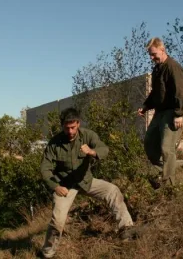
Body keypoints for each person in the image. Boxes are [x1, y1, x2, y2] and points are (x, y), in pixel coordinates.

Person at [40, 107, 136, 258]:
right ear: (62, 126)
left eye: (73, 127)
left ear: (78, 123)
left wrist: (93, 152)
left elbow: (104, 148)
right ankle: (47, 252)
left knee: (113, 190)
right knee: (57, 220)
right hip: (65, 185)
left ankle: (127, 229)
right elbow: (45, 169)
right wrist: (56, 186)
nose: (70, 131)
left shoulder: (88, 135)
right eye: (67, 128)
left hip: (86, 180)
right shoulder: (54, 143)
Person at [138, 37, 183, 187]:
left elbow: (180, 91)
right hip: (160, 112)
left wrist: (178, 114)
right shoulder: (157, 70)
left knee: (167, 148)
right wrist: (146, 106)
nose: (152, 58)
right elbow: (156, 92)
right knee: (150, 145)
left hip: (173, 112)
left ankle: (169, 185)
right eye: (150, 55)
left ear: (162, 50)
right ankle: (163, 172)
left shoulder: (173, 67)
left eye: (154, 54)